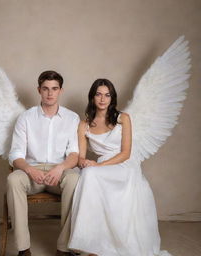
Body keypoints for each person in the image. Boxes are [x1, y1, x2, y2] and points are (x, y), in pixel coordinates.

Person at [68, 79, 171, 256]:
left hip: (124, 165)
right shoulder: (84, 125)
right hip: (101, 166)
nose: (102, 99)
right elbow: (81, 157)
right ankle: (88, 242)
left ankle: (94, 242)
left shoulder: (123, 119)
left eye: (107, 95)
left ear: (112, 98)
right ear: (92, 97)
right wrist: (84, 162)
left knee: (92, 173)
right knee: (86, 173)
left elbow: (125, 153)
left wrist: (98, 165)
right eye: (98, 94)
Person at [7, 70, 80, 256]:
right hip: (32, 172)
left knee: (75, 180)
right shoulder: (26, 117)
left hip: (59, 171)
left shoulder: (72, 118)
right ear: (39, 90)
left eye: (54, 89)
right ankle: (23, 249)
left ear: (61, 91)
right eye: (45, 89)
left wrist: (61, 168)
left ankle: (63, 248)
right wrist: (29, 170)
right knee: (13, 180)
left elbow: (74, 154)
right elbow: (15, 154)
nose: (50, 93)